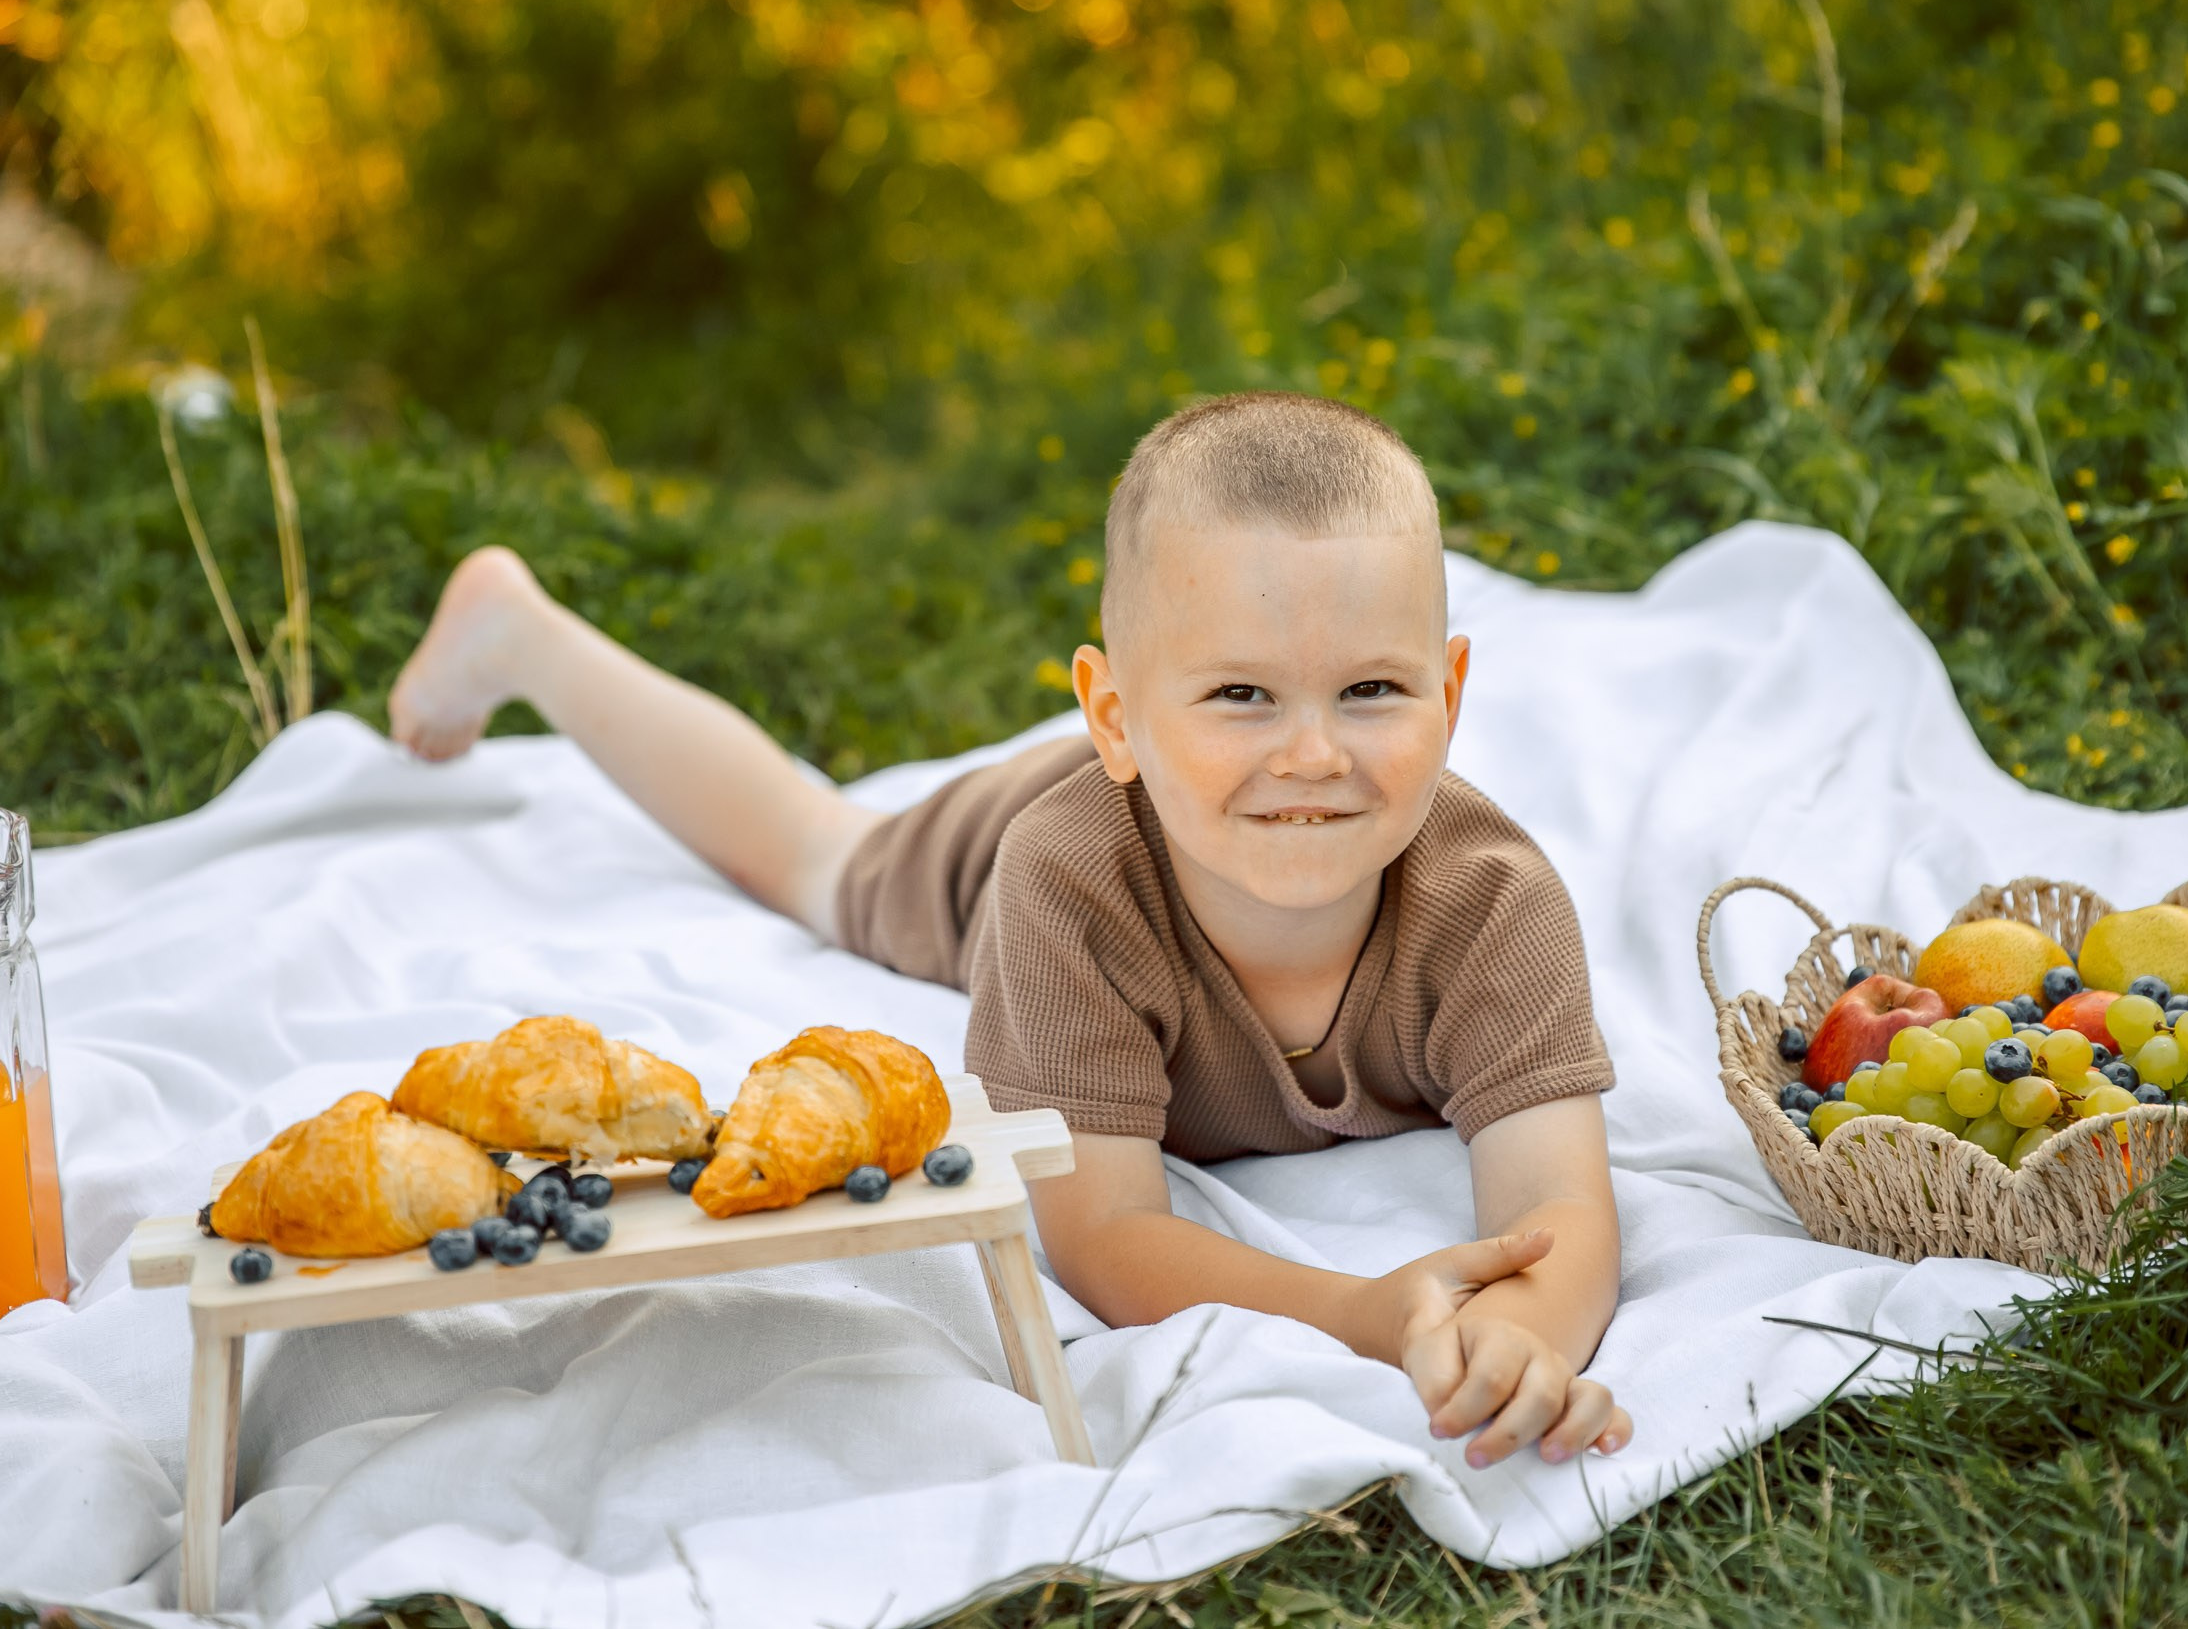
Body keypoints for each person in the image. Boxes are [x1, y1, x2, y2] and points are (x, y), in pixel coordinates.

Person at [389, 391, 1633, 1467]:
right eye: (1242, 691)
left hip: (1182, 786)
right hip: (1060, 828)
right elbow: (1103, 1232)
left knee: (1202, 768)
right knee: (818, 855)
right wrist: (1363, 1311)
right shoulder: (1059, 882)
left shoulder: (1493, 901)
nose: (1311, 753)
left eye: (1371, 689)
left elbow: (1558, 1206)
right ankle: (525, 631)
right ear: (1114, 713)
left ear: (1451, 692)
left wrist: (1507, 1344)